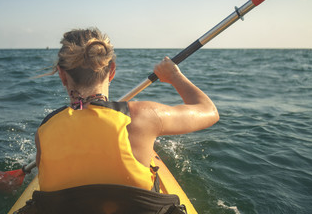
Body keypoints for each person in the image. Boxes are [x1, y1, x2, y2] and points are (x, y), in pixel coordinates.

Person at [31, 28, 219, 213]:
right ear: (112, 70)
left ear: (62, 75)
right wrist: (174, 76)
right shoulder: (143, 117)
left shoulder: (45, 130)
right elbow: (209, 111)